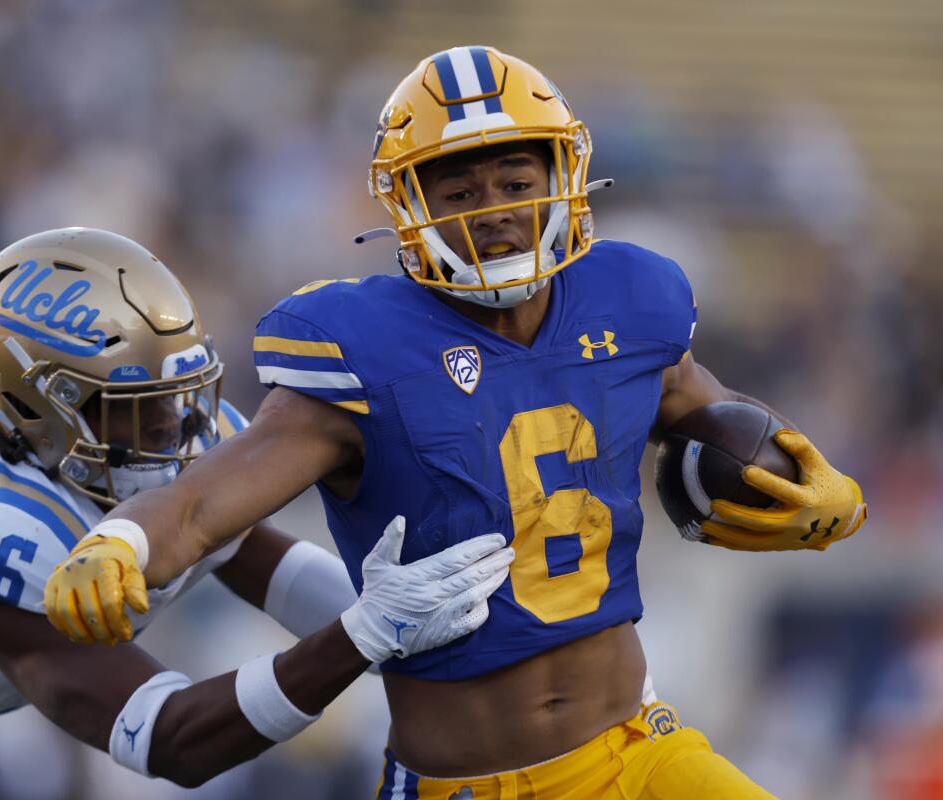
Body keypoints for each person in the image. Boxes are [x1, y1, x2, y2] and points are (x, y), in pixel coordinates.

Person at [45, 48, 869, 799]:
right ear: (410, 204)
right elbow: (199, 504)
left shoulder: (630, 297)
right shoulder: (363, 349)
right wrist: (123, 544)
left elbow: (712, 410)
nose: (496, 211)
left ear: (564, 175)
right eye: (462, 192)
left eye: (517, 183)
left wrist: (810, 473)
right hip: (467, 783)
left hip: (636, 751)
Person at [0, 227, 513, 799]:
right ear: (37, 409)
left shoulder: (164, 436)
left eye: (177, 400)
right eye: (133, 411)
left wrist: (436, 632)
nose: (176, 431)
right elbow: (171, 739)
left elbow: (248, 556)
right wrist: (362, 636)